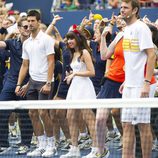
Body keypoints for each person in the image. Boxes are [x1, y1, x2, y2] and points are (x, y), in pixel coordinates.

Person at [15, 10, 56, 157]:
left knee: (43, 113)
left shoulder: (46, 39)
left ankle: (51, 145)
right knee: (32, 113)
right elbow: (25, 65)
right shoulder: (26, 43)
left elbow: (51, 62)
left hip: (44, 82)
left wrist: (48, 83)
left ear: (38, 22)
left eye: (33, 21)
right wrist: (19, 84)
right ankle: (41, 144)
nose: (30, 24)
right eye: (29, 21)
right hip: (32, 82)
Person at [119, 0, 156, 157]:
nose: (122, 10)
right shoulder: (127, 29)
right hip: (129, 85)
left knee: (143, 125)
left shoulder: (141, 28)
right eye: (121, 7)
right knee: (126, 125)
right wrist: (126, 81)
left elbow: (152, 54)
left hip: (142, 85)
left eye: (125, 7)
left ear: (134, 10)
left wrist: (146, 83)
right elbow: (132, 60)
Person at [60, 30, 96, 158]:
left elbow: (92, 72)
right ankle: (74, 149)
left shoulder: (84, 52)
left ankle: (96, 149)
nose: (69, 41)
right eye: (68, 39)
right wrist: (71, 74)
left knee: (89, 118)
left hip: (84, 87)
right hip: (74, 87)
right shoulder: (72, 53)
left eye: (72, 38)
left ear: (78, 39)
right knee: (70, 116)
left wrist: (75, 74)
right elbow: (77, 70)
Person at [0, 17, 33, 155]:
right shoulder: (12, 43)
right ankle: (3, 143)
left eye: (29, 26)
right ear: (19, 29)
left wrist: (28, 84)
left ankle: (25, 143)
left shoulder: (34, 44)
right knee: (1, 111)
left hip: (27, 83)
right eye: (25, 27)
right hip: (10, 82)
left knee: (24, 115)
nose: (28, 28)